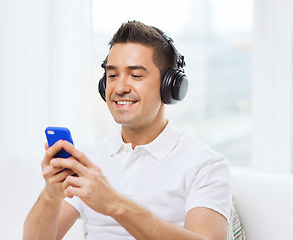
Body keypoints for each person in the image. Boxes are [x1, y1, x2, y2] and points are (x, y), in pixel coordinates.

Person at [23, 20, 231, 240]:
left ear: (170, 86)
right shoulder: (89, 160)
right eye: (112, 76)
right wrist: (51, 195)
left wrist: (114, 204)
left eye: (136, 75)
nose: (120, 88)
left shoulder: (205, 165)